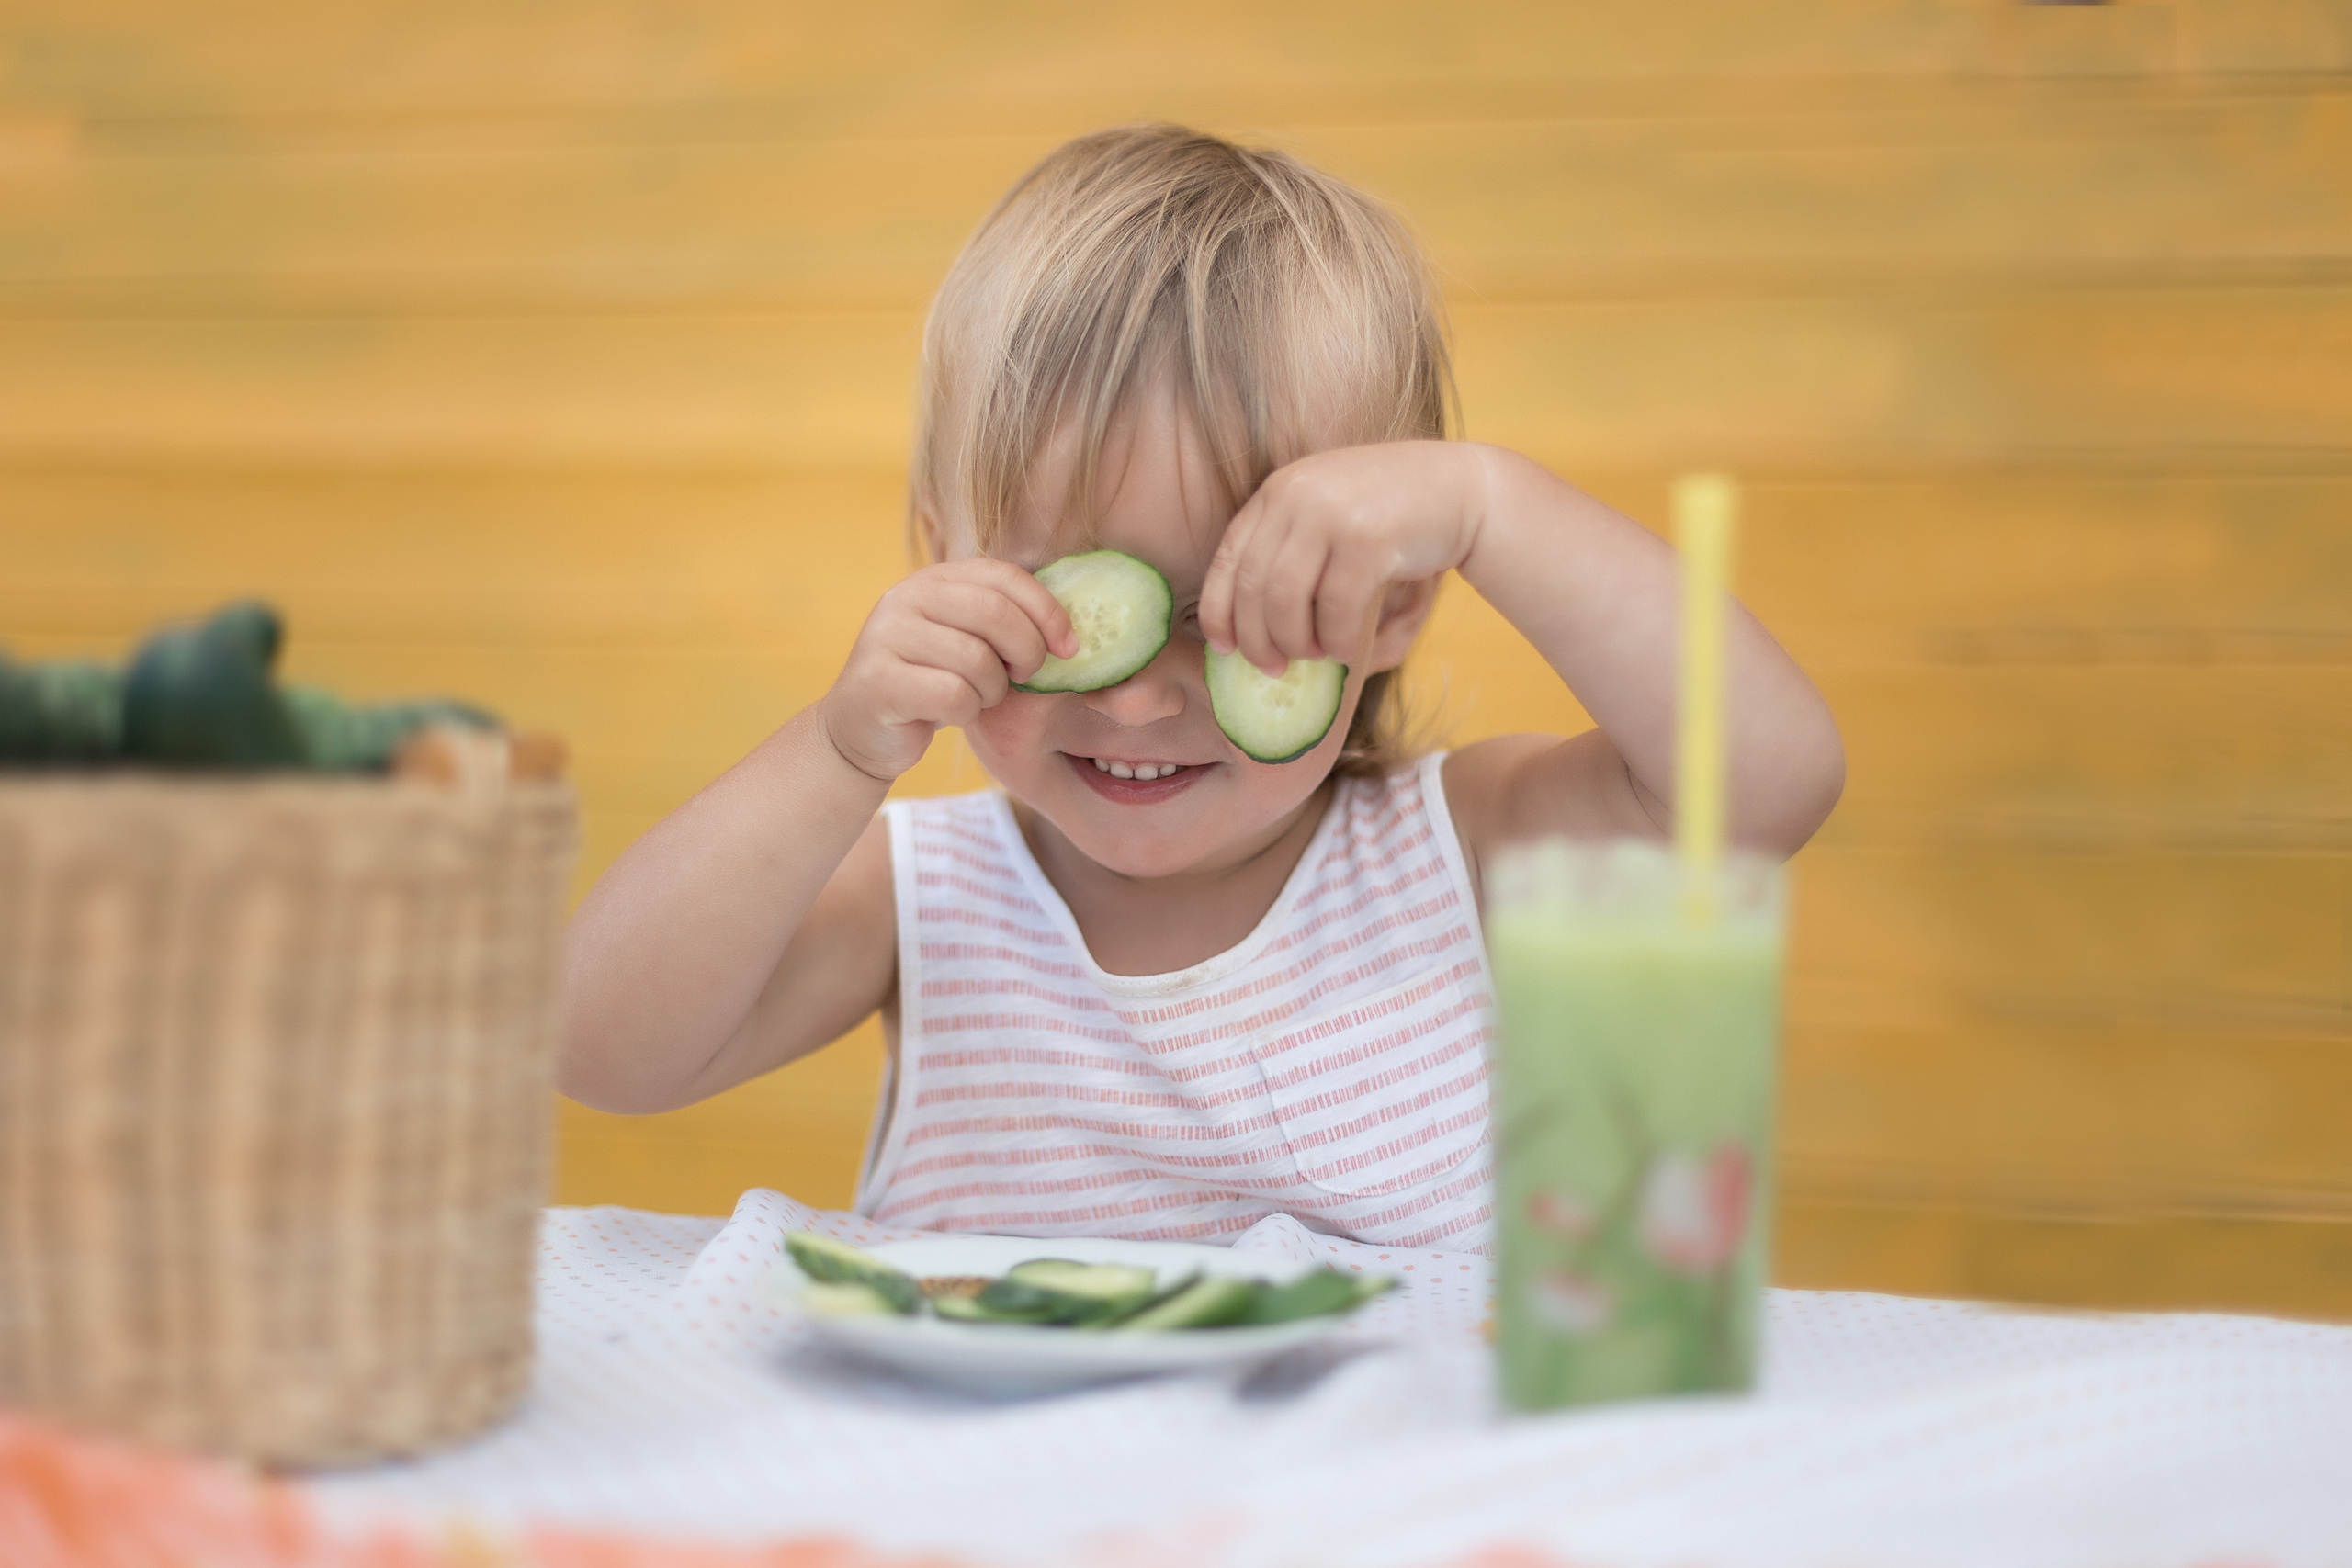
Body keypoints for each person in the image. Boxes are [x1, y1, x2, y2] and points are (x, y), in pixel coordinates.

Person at [558, 125, 1843, 1251]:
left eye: (1237, 610)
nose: (1132, 703)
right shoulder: (920, 895)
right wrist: (836, 754)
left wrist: (1491, 503)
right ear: (938, 558)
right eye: (1070, 611)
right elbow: (597, 1048)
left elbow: (1768, 785)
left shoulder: (1462, 849)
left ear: (1391, 603)